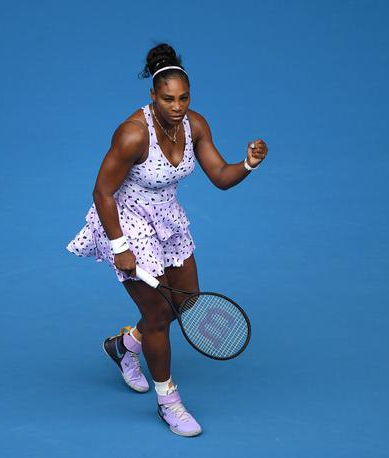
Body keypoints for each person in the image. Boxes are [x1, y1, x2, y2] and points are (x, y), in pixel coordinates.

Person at [66, 43, 268, 437]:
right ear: (153, 96)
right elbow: (101, 193)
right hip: (125, 221)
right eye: (168, 98)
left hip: (167, 218)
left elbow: (221, 178)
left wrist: (248, 164)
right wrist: (120, 246)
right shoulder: (131, 135)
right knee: (159, 315)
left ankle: (125, 346)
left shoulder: (196, 125)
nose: (177, 106)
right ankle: (168, 401)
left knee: (185, 303)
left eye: (183, 98)